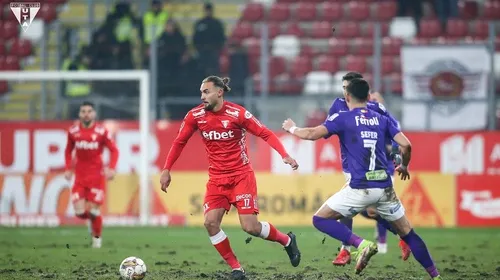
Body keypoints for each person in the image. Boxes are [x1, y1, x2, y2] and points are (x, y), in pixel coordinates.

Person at [281, 78, 442, 279]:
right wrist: (405, 165)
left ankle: (360, 244)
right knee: (409, 234)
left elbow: (312, 134)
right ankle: (436, 276)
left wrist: (292, 128)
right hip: (385, 187)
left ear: (347, 96)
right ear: (368, 97)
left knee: (319, 219)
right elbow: (406, 145)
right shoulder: (381, 119)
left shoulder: (343, 118)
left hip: (360, 187)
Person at [160, 76, 301, 280]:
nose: (202, 97)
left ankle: (287, 241)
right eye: (201, 92)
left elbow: (265, 133)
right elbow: (179, 141)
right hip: (217, 179)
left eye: (206, 92)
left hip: (241, 176)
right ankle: (237, 268)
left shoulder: (238, 113)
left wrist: (285, 155)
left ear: (219, 92)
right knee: (210, 223)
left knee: (250, 227)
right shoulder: (196, 116)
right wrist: (166, 169)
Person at [326, 72, 411, 266]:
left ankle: (346, 250)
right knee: (369, 211)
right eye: (344, 88)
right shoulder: (337, 106)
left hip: (378, 167)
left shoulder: (376, 108)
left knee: (350, 211)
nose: (345, 92)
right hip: (351, 165)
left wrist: (396, 153)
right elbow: (330, 128)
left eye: (347, 88)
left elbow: (394, 131)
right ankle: (403, 235)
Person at [64, 101, 119, 248]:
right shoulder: (73, 131)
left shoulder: (102, 132)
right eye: (83, 111)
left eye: (89, 111)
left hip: (97, 178)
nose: (86, 114)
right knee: (80, 212)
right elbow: (68, 151)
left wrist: (112, 168)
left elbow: (114, 150)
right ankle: (94, 222)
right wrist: (68, 168)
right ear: (79, 114)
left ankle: (97, 240)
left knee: (94, 210)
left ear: (94, 114)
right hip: (80, 178)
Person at [193, 2, 226, 75]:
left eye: (209, 10)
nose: (208, 12)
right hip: (202, 51)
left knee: (214, 71)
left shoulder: (217, 23)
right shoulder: (200, 23)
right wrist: (199, 48)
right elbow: (195, 38)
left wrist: (217, 47)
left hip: (214, 51)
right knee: (201, 70)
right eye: (206, 10)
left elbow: (221, 38)